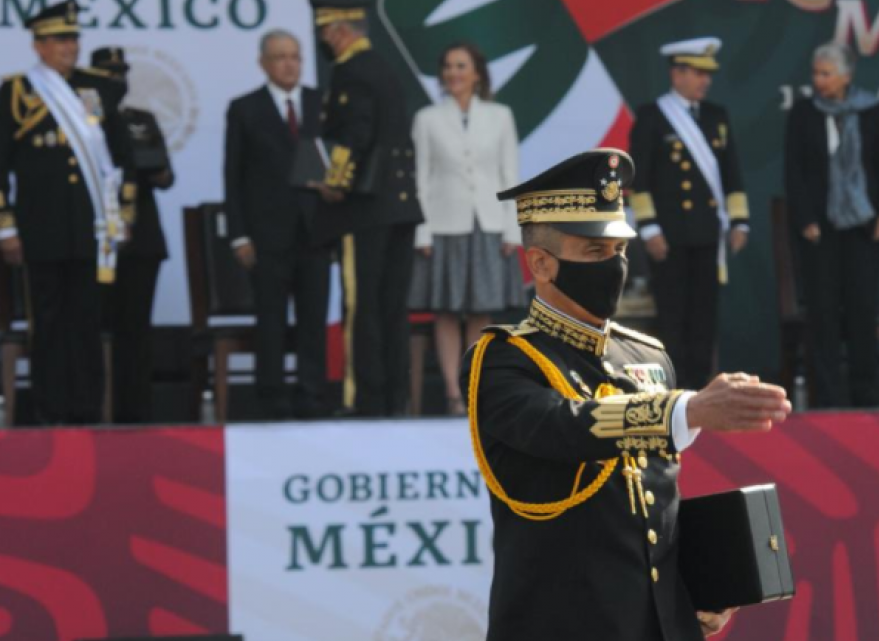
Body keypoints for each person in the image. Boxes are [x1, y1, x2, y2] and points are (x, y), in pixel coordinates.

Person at [462, 149, 791, 641]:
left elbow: (655, 505)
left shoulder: (649, 356)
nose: (614, 265)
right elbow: (562, 426)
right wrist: (689, 407)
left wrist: (700, 586)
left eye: (619, 251)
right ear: (541, 264)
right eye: (595, 253)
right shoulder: (503, 359)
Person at [0, 1, 135, 425]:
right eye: (60, 40)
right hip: (41, 227)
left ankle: (87, 408)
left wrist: (123, 214)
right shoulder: (18, 92)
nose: (70, 47)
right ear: (39, 46)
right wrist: (5, 228)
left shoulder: (98, 89)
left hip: (91, 227)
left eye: (73, 38)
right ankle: (51, 409)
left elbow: (121, 158)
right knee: (49, 322)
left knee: (87, 322)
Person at [309, 0, 423, 417]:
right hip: (401, 207)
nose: (323, 41)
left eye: (324, 33)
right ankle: (396, 397)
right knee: (393, 307)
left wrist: (333, 182)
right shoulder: (384, 68)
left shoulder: (350, 72)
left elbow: (357, 133)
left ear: (338, 29)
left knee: (362, 307)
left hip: (365, 210)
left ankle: (363, 399)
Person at [783, 42, 879, 408]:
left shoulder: (870, 110)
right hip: (819, 230)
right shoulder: (803, 113)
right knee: (823, 313)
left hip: (864, 228)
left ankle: (865, 396)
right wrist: (805, 219)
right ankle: (828, 399)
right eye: (816, 73)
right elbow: (794, 171)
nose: (818, 80)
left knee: (861, 309)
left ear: (847, 76)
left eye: (826, 73)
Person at [408, 41, 524, 416]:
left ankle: (473, 388)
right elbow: (420, 179)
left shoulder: (500, 114)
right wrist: (422, 231)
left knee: (480, 312)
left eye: (461, 66)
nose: (454, 73)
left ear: (477, 73)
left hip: (488, 223)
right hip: (443, 226)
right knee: (445, 311)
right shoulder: (427, 118)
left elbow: (510, 175)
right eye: (448, 66)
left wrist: (511, 229)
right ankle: (451, 392)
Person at [629, 37, 750, 391]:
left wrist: (740, 221)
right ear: (677, 73)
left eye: (707, 74)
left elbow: (732, 175)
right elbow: (640, 181)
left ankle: (701, 388)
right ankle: (673, 390)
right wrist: (650, 230)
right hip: (669, 236)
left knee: (704, 317)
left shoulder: (717, 116)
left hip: (708, 234)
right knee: (673, 315)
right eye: (698, 73)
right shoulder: (652, 116)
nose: (705, 80)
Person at [224, 30, 330, 419]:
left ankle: (313, 396)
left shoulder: (321, 102)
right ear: (264, 63)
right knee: (270, 320)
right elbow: (232, 178)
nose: (290, 64)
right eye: (281, 57)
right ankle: (270, 398)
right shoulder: (245, 108)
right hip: (265, 235)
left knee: (313, 319)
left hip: (315, 232)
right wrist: (239, 235)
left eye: (295, 57)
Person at [90, 46, 175, 424]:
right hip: (94, 238)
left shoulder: (140, 119)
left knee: (136, 331)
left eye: (121, 73)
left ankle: (136, 415)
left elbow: (165, 176)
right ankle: (94, 409)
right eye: (107, 74)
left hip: (141, 237)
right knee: (92, 328)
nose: (116, 81)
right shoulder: (81, 122)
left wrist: (146, 164)